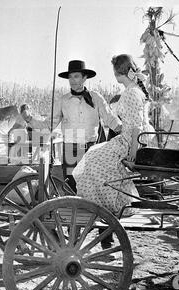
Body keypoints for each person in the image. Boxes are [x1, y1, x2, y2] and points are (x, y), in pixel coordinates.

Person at [73, 54, 153, 219]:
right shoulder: (132, 90)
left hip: (131, 140)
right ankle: (111, 201)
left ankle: (104, 204)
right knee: (93, 154)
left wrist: (133, 151)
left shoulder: (131, 93)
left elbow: (137, 125)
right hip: (129, 137)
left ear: (118, 72)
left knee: (92, 159)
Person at [22, 60, 121, 192]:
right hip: (70, 149)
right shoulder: (63, 100)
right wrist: (29, 119)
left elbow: (110, 118)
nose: (72, 80)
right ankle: (72, 211)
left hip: (91, 149)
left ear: (84, 78)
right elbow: (48, 125)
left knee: (92, 187)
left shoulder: (96, 98)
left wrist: (124, 130)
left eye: (76, 76)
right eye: (70, 77)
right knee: (71, 186)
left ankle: (90, 212)